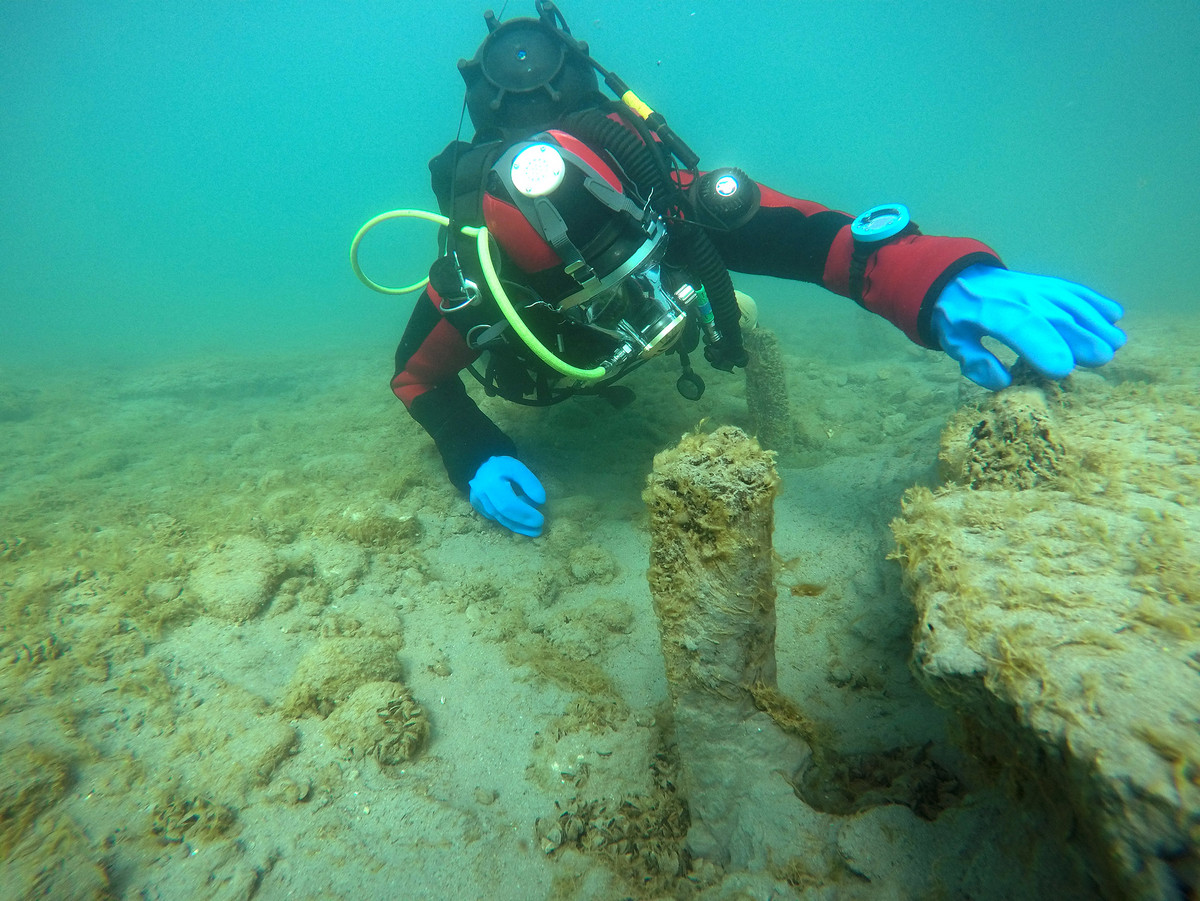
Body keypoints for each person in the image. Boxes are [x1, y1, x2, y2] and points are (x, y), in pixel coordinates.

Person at [369, 2, 1126, 538]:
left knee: (745, 310)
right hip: (550, 377)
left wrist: (933, 278)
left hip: (659, 290)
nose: (615, 277)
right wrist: (475, 452)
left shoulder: (665, 199)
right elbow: (415, 376)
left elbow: (819, 241)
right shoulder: (476, 278)